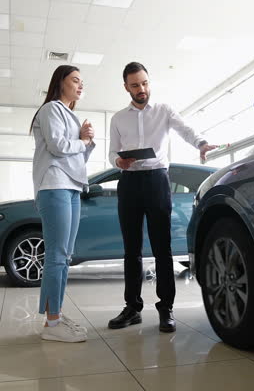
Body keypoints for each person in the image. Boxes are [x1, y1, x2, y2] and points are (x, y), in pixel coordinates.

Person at [108, 62, 216, 333]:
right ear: (126, 87)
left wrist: (201, 143)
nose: (141, 89)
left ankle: (165, 308)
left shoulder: (164, 111)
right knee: (131, 250)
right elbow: (112, 153)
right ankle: (132, 308)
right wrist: (118, 162)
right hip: (130, 182)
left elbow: (186, 129)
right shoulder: (118, 118)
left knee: (162, 249)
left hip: (157, 181)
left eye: (144, 83)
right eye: (135, 85)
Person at [30, 65, 95, 342]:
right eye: (75, 81)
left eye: (82, 82)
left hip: (71, 186)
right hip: (54, 185)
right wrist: (81, 140)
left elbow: (76, 158)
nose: (81, 86)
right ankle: (54, 324)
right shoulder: (50, 110)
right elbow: (58, 146)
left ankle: (53, 317)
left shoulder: (71, 116)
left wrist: (87, 142)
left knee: (65, 256)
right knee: (57, 255)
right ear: (60, 83)